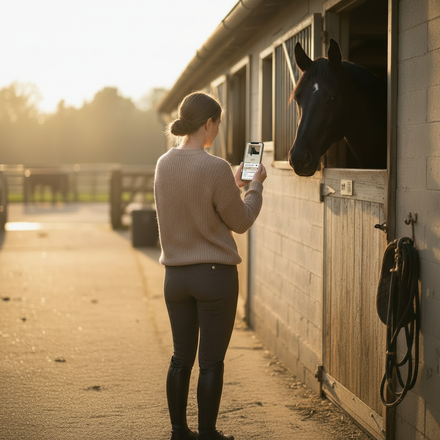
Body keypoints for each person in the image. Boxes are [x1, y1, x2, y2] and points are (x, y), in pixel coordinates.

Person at [154, 91, 266, 440]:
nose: (218, 129)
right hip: (215, 278)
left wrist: (232, 185)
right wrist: (256, 187)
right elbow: (242, 220)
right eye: (218, 123)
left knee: (180, 358)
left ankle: (178, 432)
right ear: (208, 123)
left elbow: (192, 202)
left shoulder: (163, 163)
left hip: (175, 278)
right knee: (210, 362)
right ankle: (207, 434)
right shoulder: (215, 166)